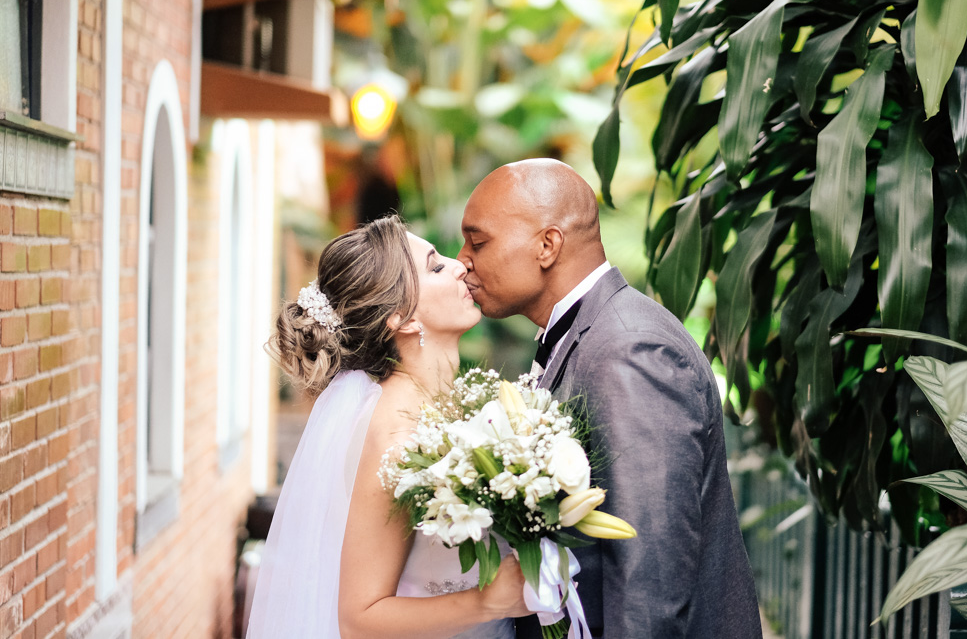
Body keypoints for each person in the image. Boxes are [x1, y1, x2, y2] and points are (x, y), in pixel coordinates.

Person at [458, 159, 763, 639]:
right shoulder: (593, 336)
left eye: (478, 242)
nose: (463, 259)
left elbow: (651, 579)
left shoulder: (630, 349)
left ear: (547, 245)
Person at [247, 215, 531, 639]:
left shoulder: (443, 405)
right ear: (402, 319)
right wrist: (487, 602)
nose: (459, 265)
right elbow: (359, 618)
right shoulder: (398, 437)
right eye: (436, 266)